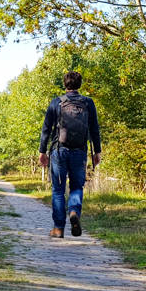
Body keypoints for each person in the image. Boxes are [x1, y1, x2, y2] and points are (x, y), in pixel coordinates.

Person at [38, 70, 102, 238]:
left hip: (59, 151)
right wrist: (97, 152)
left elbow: (46, 129)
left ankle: (58, 229)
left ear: (65, 84)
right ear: (79, 85)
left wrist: (42, 151)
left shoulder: (56, 102)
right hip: (80, 151)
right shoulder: (88, 103)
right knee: (76, 187)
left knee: (58, 190)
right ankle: (74, 211)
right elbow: (94, 129)